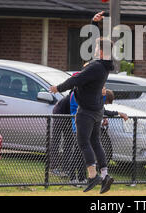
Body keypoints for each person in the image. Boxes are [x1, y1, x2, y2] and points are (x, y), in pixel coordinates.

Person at [49, 12, 115, 194]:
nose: (93, 49)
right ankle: (105, 174)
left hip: (85, 111)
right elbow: (102, 43)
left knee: (83, 142)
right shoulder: (104, 65)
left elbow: (74, 81)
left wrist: (57, 88)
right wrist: (94, 24)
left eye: (96, 48)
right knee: (95, 142)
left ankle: (93, 176)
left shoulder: (94, 67)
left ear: (101, 52)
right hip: (97, 111)